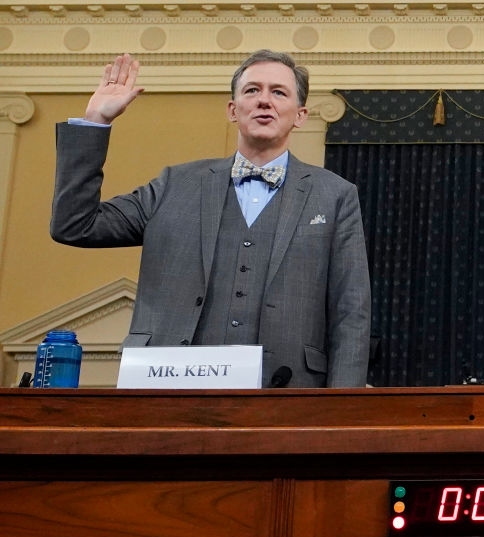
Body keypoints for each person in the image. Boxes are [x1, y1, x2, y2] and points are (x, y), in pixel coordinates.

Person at [51, 50, 371, 388]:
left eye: (278, 92)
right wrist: (95, 123)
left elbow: (351, 312)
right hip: (170, 392)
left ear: (300, 115)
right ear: (233, 110)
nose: (264, 100)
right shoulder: (175, 184)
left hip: (286, 397)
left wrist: (342, 408)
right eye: (252, 90)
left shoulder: (335, 196)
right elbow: (75, 224)